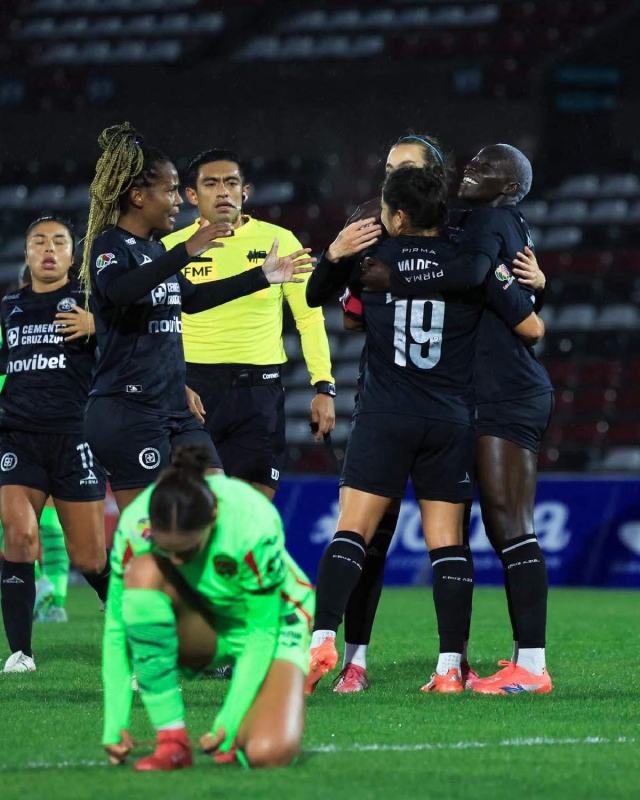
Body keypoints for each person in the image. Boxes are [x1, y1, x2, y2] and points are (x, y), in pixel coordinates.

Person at [306, 166, 545, 696]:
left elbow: (318, 300)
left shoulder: (374, 261)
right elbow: (531, 326)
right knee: (446, 543)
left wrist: (338, 253)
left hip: (385, 414)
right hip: (449, 419)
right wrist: (537, 287)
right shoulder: (470, 265)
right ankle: (448, 670)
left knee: (354, 532)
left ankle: (322, 640)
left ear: (394, 215)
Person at [79, 124, 314, 512]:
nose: (177, 201)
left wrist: (263, 276)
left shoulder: (156, 251)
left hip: (174, 410)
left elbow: (194, 298)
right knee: (151, 535)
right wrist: (186, 249)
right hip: (127, 409)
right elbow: (119, 292)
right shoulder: (109, 244)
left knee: (214, 510)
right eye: (170, 191)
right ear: (138, 196)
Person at [101, 445, 314, 771]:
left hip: (274, 625)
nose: (175, 561)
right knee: (144, 571)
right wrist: (114, 724)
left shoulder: (252, 521)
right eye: (165, 548)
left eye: (186, 551)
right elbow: (117, 630)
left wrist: (227, 722)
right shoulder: (135, 525)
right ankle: (172, 742)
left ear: (212, 520)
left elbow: (260, 634)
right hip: (203, 622)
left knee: (267, 754)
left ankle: (249, 724)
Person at [161, 149, 335, 501]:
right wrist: (173, 383)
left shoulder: (279, 241)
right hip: (193, 393)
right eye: (211, 184)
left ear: (246, 192)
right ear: (192, 195)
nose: (223, 191)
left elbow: (309, 316)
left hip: (259, 395)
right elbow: (157, 330)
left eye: (231, 183)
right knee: (199, 510)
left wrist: (324, 386)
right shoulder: (171, 249)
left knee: (251, 512)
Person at [0, 216, 110, 673]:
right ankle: (21, 653)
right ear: (26, 254)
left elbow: (132, 350)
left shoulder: (92, 304)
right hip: (17, 437)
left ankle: (134, 627)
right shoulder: (9, 308)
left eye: (59, 242)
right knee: (20, 536)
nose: (48, 249)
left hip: (73, 439)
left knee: (89, 558)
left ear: (72, 254)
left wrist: (99, 326)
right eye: (38, 242)